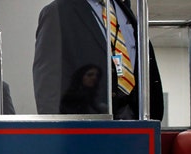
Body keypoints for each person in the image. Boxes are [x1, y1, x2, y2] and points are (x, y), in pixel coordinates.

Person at [33, 0, 164, 120]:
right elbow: (47, 84)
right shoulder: (58, 11)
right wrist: (54, 135)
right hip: (85, 132)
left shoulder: (124, 10)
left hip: (138, 129)